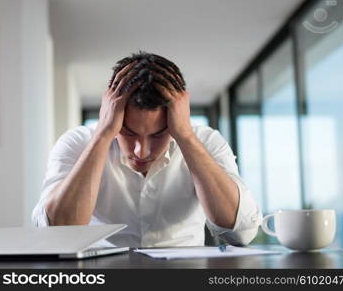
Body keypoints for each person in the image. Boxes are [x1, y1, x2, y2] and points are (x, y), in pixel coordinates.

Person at [32, 51, 262, 247]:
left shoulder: (206, 142)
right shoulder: (78, 143)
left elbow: (242, 233)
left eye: (158, 134)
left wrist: (185, 136)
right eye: (129, 133)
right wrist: (103, 134)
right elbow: (56, 234)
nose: (141, 152)